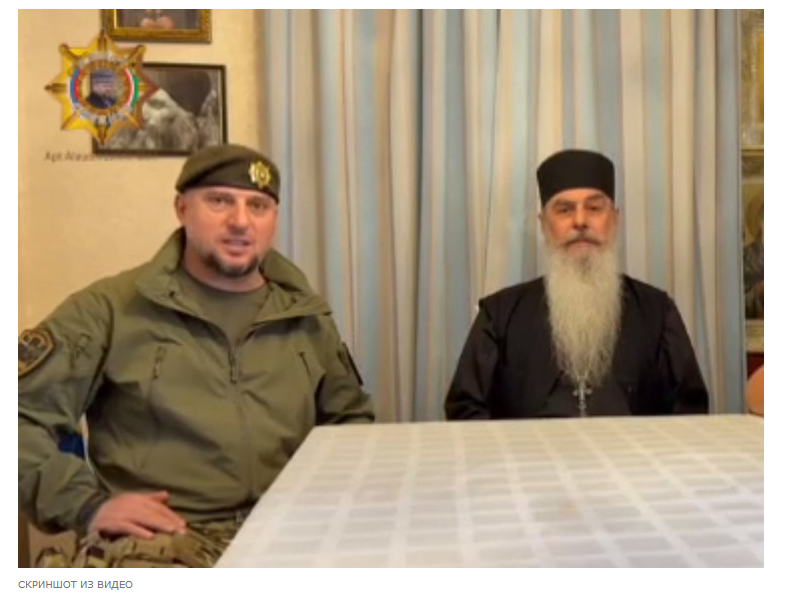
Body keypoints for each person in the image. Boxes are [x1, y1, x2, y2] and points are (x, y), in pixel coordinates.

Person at [19, 143, 375, 567]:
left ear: (274, 218)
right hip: (166, 541)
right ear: (182, 208)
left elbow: (350, 425)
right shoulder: (109, 310)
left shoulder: (306, 315)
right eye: (219, 201)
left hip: (291, 531)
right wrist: (86, 505)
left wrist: (337, 504)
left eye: (258, 206)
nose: (240, 221)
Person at [445, 149, 709, 420]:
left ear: (614, 219)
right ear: (544, 224)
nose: (580, 221)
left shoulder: (657, 312)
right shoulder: (500, 315)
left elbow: (689, 409)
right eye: (564, 210)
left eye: (594, 208)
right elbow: (465, 409)